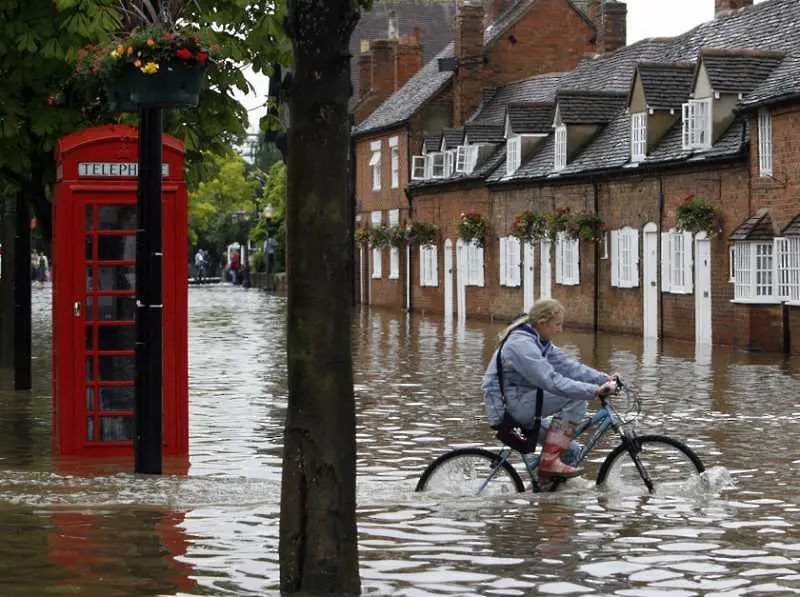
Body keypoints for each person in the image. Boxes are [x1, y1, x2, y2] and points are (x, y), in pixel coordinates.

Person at [481, 298, 618, 478]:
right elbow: (551, 381)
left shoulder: (538, 340)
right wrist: (594, 391)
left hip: (521, 402)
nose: (559, 330)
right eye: (557, 324)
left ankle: (544, 494)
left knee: (571, 451)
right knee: (575, 397)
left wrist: (604, 378)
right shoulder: (521, 345)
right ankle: (549, 461)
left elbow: (568, 365)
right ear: (543, 322)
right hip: (508, 410)